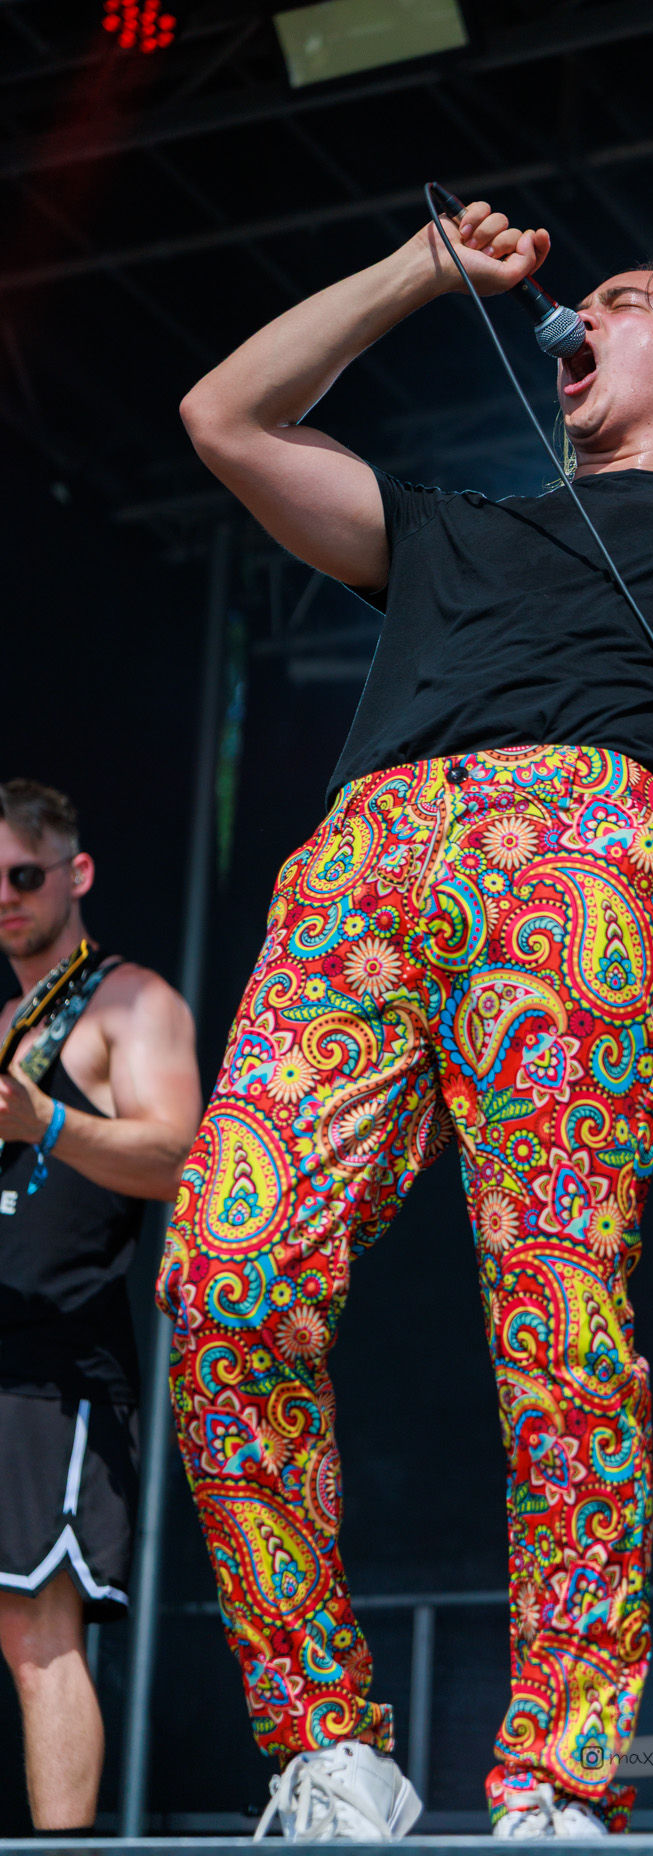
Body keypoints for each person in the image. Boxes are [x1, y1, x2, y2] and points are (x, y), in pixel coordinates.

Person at [163, 202, 653, 1843]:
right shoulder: (452, 529)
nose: (581, 318)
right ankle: (327, 1749)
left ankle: (557, 1772)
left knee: (557, 1311)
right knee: (224, 1278)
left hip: (582, 864)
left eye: (621, 300)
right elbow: (223, 417)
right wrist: (422, 272)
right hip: (362, 872)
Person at [0, 778, 202, 1831]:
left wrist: (46, 1120)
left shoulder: (132, 1000)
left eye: (23, 874)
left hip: (60, 1367)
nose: (6, 897)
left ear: (74, 873)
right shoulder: (8, 1021)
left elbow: (179, 1156)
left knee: (40, 1634)